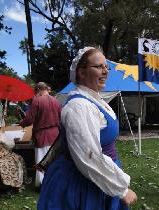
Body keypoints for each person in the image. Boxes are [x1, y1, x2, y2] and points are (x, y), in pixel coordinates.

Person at [37, 47, 137, 210]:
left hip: (98, 177)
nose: (105, 71)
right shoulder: (80, 106)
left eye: (106, 67)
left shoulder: (95, 100)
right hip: (80, 182)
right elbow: (88, 156)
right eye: (98, 67)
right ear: (81, 72)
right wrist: (121, 189)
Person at [20, 82, 61, 187]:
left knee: (41, 159)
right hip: (56, 134)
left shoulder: (37, 101)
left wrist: (22, 123)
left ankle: (42, 184)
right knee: (54, 159)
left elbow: (29, 119)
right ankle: (56, 182)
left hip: (42, 135)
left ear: (38, 90)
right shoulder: (56, 101)